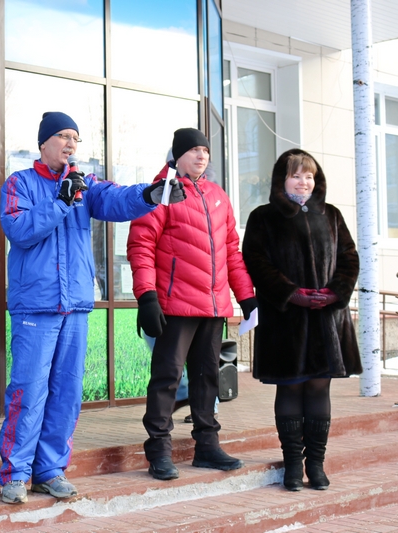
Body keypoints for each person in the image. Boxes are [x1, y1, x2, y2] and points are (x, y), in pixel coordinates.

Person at [0, 111, 185, 505]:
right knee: (28, 391)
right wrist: (61, 201)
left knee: (66, 393)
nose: (70, 144)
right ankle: (15, 474)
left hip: (76, 305)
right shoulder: (19, 183)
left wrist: (150, 195)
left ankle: (50, 471)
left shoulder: (85, 184)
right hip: (36, 306)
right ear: (44, 142)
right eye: (63, 136)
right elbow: (19, 230)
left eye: (75, 138)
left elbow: (116, 199)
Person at [126, 127, 257, 482]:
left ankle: (207, 447)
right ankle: (158, 450)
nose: (201, 155)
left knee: (206, 378)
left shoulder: (217, 196)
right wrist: (147, 296)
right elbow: (141, 246)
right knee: (166, 378)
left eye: (205, 151)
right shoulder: (161, 192)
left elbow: (231, 251)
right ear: (177, 155)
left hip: (213, 306)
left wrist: (246, 297)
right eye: (193, 150)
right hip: (175, 305)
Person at [242, 149, 360, 491]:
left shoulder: (332, 215)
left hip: (327, 320)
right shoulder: (264, 217)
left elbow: (349, 258)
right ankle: (293, 465)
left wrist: (335, 293)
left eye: (309, 176)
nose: (303, 182)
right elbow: (256, 261)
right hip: (285, 321)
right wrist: (292, 294)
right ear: (282, 180)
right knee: (291, 386)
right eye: (296, 175)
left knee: (320, 386)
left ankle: (316, 465)